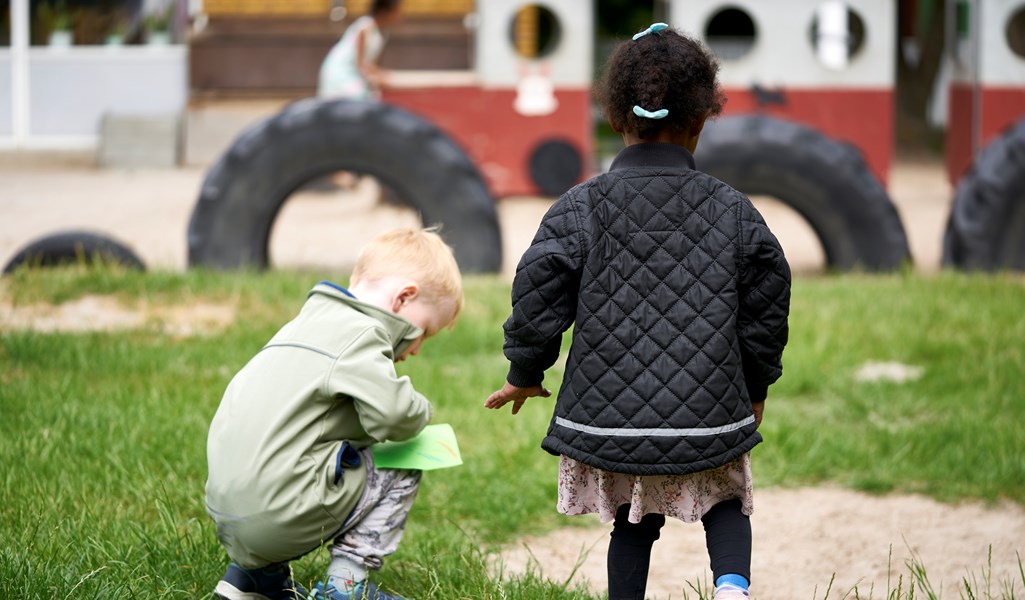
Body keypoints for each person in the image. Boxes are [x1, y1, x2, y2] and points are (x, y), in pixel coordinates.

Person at [484, 23, 791, 600]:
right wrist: (755, 387)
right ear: (702, 121)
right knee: (725, 500)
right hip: (710, 413)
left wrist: (524, 371)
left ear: (615, 118)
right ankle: (731, 589)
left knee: (632, 518)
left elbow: (538, 288)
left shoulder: (579, 207)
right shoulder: (735, 211)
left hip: (607, 417)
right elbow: (767, 304)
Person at [206, 227, 463, 600]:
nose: (418, 348)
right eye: (424, 331)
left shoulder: (304, 325)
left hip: (227, 513)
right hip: (279, 514)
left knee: (297, 449)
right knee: (413, 455)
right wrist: (421, 408)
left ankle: (254, 578)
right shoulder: (362, 335)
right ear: (403, 298)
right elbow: (394, 419)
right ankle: (345, 588)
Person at [318, 0, 403, 101]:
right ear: (384, 12)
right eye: (395, 11)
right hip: (342, 72)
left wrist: (384, 75)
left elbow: (371, 66)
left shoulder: (382, 34)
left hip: (356, 75)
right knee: (362, 98)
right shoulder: (364, 27)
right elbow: (361, 65)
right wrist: (383, 77)